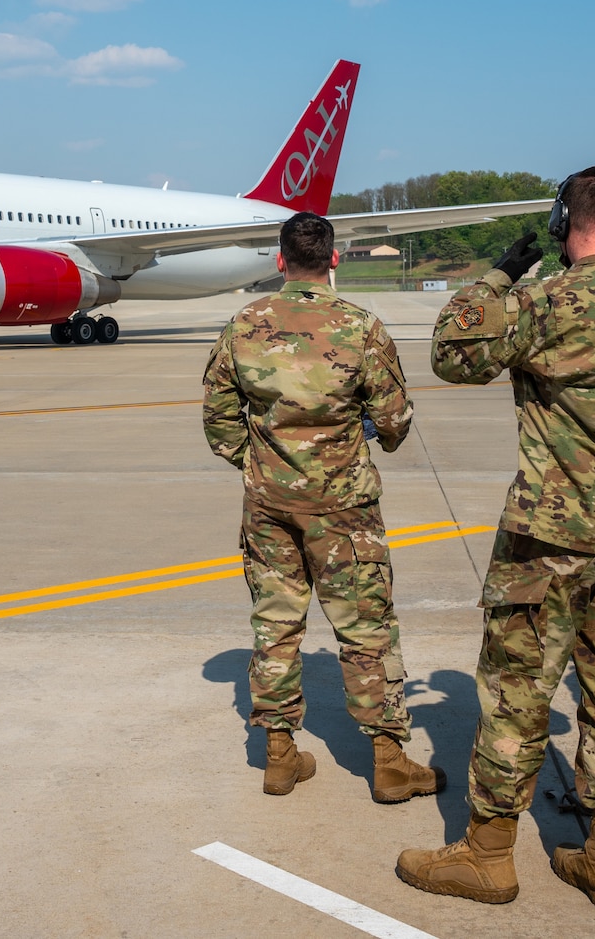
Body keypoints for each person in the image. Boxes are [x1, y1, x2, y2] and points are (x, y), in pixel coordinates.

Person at [395, 166, 595, 913]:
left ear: (562, 223)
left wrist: (502, 271)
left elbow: (452, 350)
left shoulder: (542, 300)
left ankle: (488, 856)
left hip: (549, 538)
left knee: (515, 692)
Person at [201, 210, 444, 803]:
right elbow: (392, 421)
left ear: (280, 261)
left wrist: (264, 466)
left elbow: (218, 421)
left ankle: (279, 756)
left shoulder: (244, 324)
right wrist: (360, 446)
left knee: (277, 624)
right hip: (344, 508)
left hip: (270, 506)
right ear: (334, 259)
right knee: (366, 628)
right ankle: (388, 761)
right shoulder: (361, 327)